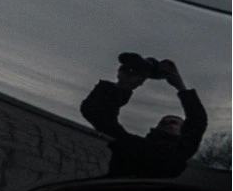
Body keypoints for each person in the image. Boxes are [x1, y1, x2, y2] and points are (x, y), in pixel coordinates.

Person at [80, 54, 208, 178]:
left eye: (173, 122)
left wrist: (180, 86)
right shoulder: (132, 144)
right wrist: (123, 85)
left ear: (182, 131)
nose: (166, 123)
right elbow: (95, 113)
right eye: (162, 122)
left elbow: (197, 122)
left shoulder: (178, 154)